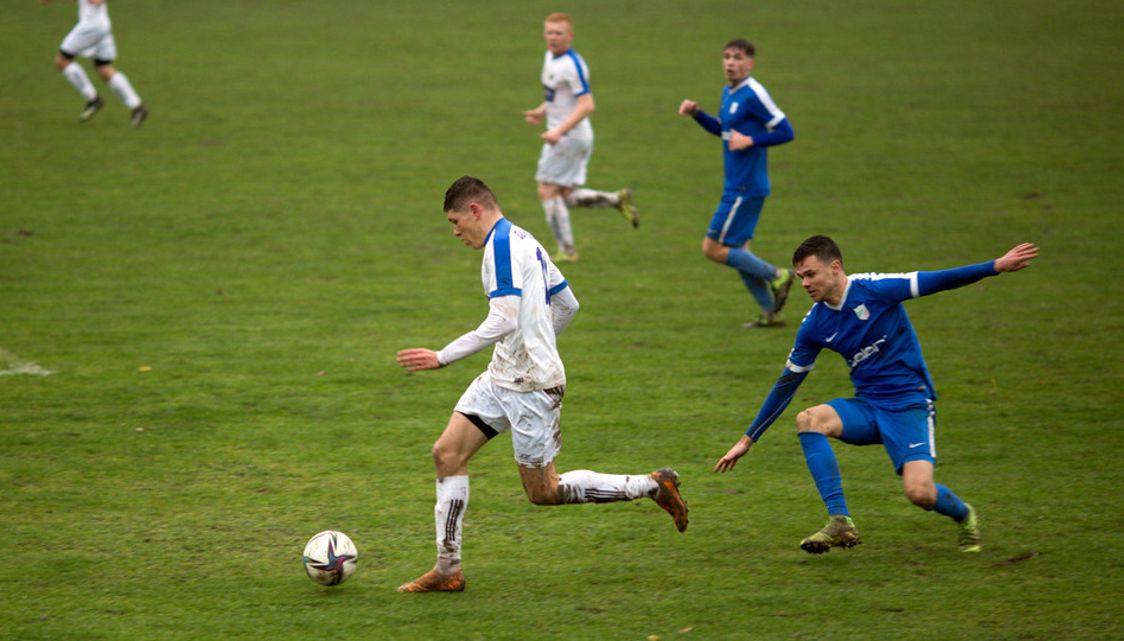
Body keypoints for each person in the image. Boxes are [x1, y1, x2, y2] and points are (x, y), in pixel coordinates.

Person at [395, 176, 689, 592]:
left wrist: (443, 356)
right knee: (446, 454)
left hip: (532, 387)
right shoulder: (524, 238)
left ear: (475, 210)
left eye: (455, 221)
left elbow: (504, 319)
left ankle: (651, 485)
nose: (455, 231)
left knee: (544, 491)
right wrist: (535, 342)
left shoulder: (501, 246)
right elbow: (568, 303)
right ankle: (447, 569)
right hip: (502, 376)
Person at [715, 236, 1039, 554]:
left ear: (835, 268)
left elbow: (937, 280)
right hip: (869, 407)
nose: (804, 284)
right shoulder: (813, 325)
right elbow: (787, 384)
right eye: (800, 277)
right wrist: (747, 440)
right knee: (809, 419)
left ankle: (964, 514)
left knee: (919, 493)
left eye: (810, 274)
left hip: (910, 403)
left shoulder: (876, 289)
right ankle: (840, 521)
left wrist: (996, 266)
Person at [678, 38, 795, 328]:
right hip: (738, 185)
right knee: (737, 251)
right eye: (727, 57)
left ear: (750, 63)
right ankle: (770, 313)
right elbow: (725, 130)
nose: (731, 62)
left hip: (746, 187)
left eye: (738, 57)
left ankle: (778, 274)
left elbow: (786, 130)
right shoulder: (729, 92)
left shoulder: (754, 93)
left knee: (713, 248)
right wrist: (697, 115)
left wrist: (752, 140)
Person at [523, 12, 638, 263]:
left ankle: (568, 251)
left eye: (559, 33)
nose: (553, 38)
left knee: (546, 190)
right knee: (564, 195)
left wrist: (557, 131)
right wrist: (540, 111)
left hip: (569, 137)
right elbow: (557, 96)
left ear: (570, 36)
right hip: (568, 135)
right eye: (549, 32)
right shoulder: (550, 57)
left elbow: (587, 105)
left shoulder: (573, 65)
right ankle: (617, 199)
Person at [45, 0, 148, 127]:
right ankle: (137, 107)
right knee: (103, 67)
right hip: (102, 25)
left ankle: (93, 99)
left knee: (62, 61)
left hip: (91, 26)